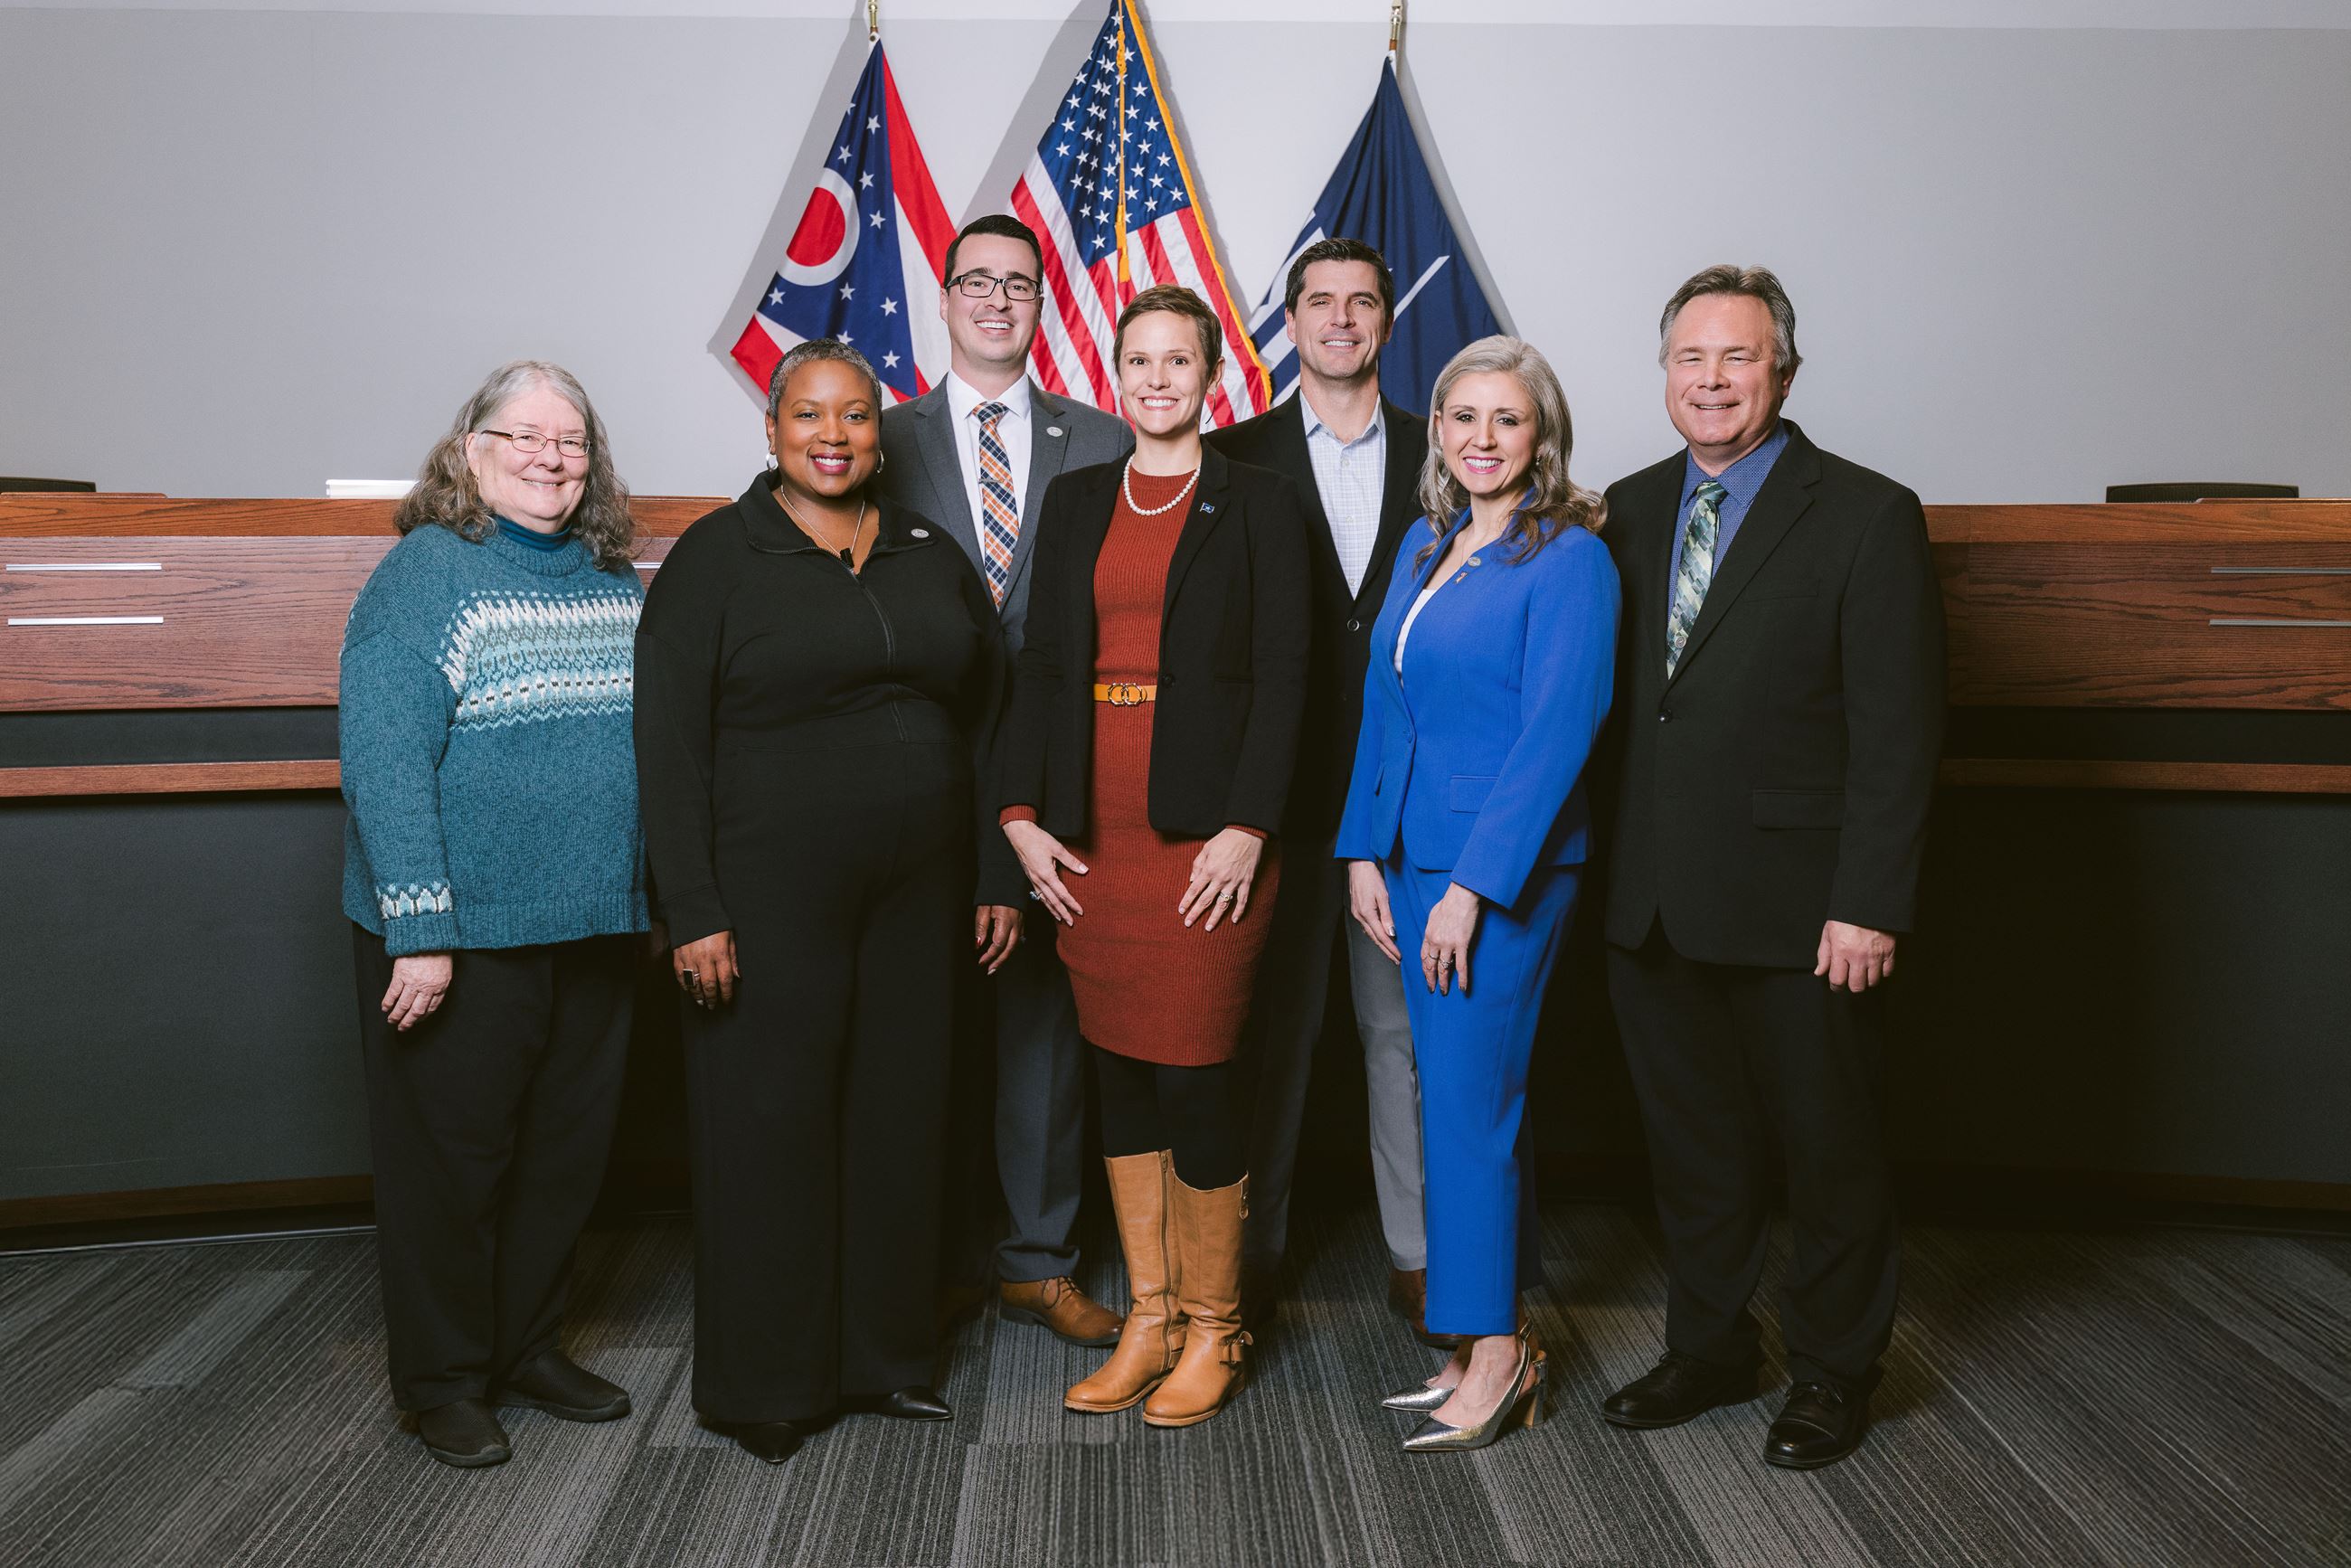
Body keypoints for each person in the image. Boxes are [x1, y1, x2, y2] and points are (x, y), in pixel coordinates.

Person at [633, 339, 1026, 1467]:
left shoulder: (923, 548)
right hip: (765, 891)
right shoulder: (717, 558)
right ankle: (768, 1382)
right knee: (770, 1121)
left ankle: (887, 1359)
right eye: (810, 415)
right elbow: (664, 742)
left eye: (855, 417)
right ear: (770, 428)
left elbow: (990, 719)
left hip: (924, 886)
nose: (835, 436)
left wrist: (997, 870)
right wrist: (693, 906)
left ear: (879, 432)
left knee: (902, 1112)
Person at [1596, 266, 1945, 1469]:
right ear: (1665, 374)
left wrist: (1869, 900)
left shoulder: (1864, 512)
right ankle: (1711, 1345)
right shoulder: (1624, 512)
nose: (1710, 379)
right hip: (1651, 899)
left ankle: (1836, 1370)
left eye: (1736, 358)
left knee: (1829, 1149)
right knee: (1693, 1148)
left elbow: (1901, 733)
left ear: (1783, 373)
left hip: (1807, 910)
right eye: (1690, 358)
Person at [996, 284, 1310, 1428]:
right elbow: (1038, 666)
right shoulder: (1077, 497)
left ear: (1210, 374)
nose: (1159, 380)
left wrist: (1249, 822)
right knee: (1119, 1071)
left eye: (1179, 361)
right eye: (1139, 361)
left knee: (1195, 1069)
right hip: (1092, 836)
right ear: (1114, 375)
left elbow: (1289, 676)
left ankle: (1215, 1330)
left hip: (1208, 839)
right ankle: (1150, 1315)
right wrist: (1020, 814)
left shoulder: (1260, 503)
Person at [339, 359, 647, 1469]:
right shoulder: (428, 575)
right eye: (523, 435)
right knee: (451, 1170)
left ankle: (525, 1347)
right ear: (469, 450)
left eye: (569, 440)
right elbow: (382, 759)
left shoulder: (617, 584)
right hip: (461, 936)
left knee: (563, 1160)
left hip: (595, 926)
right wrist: (419, 927)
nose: (548, 456)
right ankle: (442, 1381)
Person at [1336, 336, 1619, 1453]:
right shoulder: (1427, 539)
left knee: (1469, 1108)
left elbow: (1558, 736)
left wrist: (1468, 891)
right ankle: (1467, 1340)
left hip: (1491, 875)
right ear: (1437, 433)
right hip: (1404, 859)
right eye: (1462, 418)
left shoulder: (1570, 559)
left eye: (1506, 420)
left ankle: (1498, 1355)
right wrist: (1362, 851)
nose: (1482, 440)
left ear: (1540, 432)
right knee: (1443, 1103)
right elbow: (1384, 709)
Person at [878, 213, 1135, 1348]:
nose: (995, 300)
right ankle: (927, 1257)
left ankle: (1039, 1260)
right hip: (908, 770)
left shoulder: (1104, 440)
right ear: (942, 298)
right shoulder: (869, 436)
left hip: (1058, 764)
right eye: (974, 282)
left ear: (1042, 303)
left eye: (1017, 285)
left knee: (1044, 1019)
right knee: (918, 1019)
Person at [1204, 238, 1435, 1343]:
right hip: (1274, 808)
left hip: (1403, 809)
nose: (1340, 318)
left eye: (1361, 302)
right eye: (1317, 303)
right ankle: (1244, 1262)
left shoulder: (1449, 452)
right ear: (1287, 324)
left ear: (1388, 321)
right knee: (1267, 1041)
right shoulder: (1228, 458)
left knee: (1401, 1040)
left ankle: (1422, 1259)